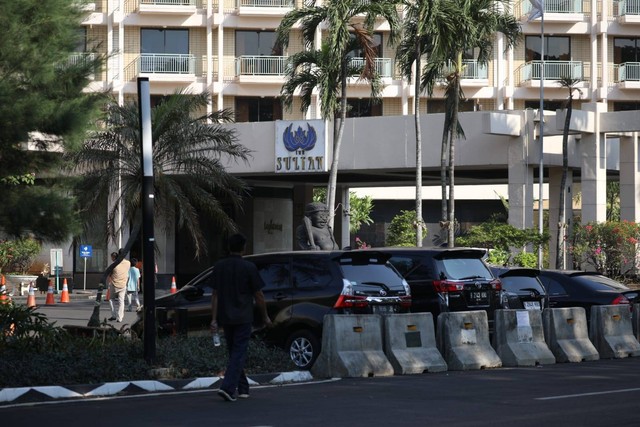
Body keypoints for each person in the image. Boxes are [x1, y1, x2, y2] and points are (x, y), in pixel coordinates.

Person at [210, 233, 271, 402]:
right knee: (238, 353)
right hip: (244, 317)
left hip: (225, 316)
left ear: (229, 247)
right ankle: (228, 388)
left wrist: (214, 319)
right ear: (243, 248)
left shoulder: (219, 266)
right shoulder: (249, 267)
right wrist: (265, 317)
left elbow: (214, 294)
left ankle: (243, 388)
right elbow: (259, 295)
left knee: (235, 353)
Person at [107, 250, 130, 322]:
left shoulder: (114, 264)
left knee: (111, 299)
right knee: (121, 301)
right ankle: (120, 318)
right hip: (123, 285)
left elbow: (109, 274)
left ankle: (114, 315)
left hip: (114, 284)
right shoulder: (128, 263)